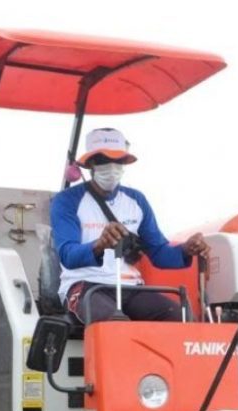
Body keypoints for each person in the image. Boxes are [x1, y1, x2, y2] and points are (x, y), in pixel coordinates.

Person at [50, 127, 210, 323]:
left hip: (132, 288)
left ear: (124, 163)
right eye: (103, 160)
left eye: (117, 160)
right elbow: (68, 255)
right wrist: (99, 244)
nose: (111, 166)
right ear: (90, 163)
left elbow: (159, 253)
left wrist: (186, 249)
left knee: (180, 318)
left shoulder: (136, 200)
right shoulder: (66, 200)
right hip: (85, 286)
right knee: (116, 326)